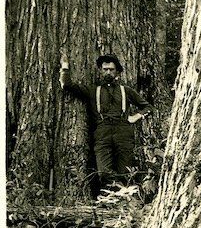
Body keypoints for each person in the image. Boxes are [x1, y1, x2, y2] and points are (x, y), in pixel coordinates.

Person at [59, 52, 151, 188]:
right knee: (104, 172)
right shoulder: (92, 90)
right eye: (105, 69)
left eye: (111, 69)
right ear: (100, 71)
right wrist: (65, 66)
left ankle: (122, 201)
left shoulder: (126, 90)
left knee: (125, 172)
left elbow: (148, 107)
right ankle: (115, 192)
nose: (108, 72)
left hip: (123, 132)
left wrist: (136, 116)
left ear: (117, 71)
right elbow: (67, 85)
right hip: (102, 133)